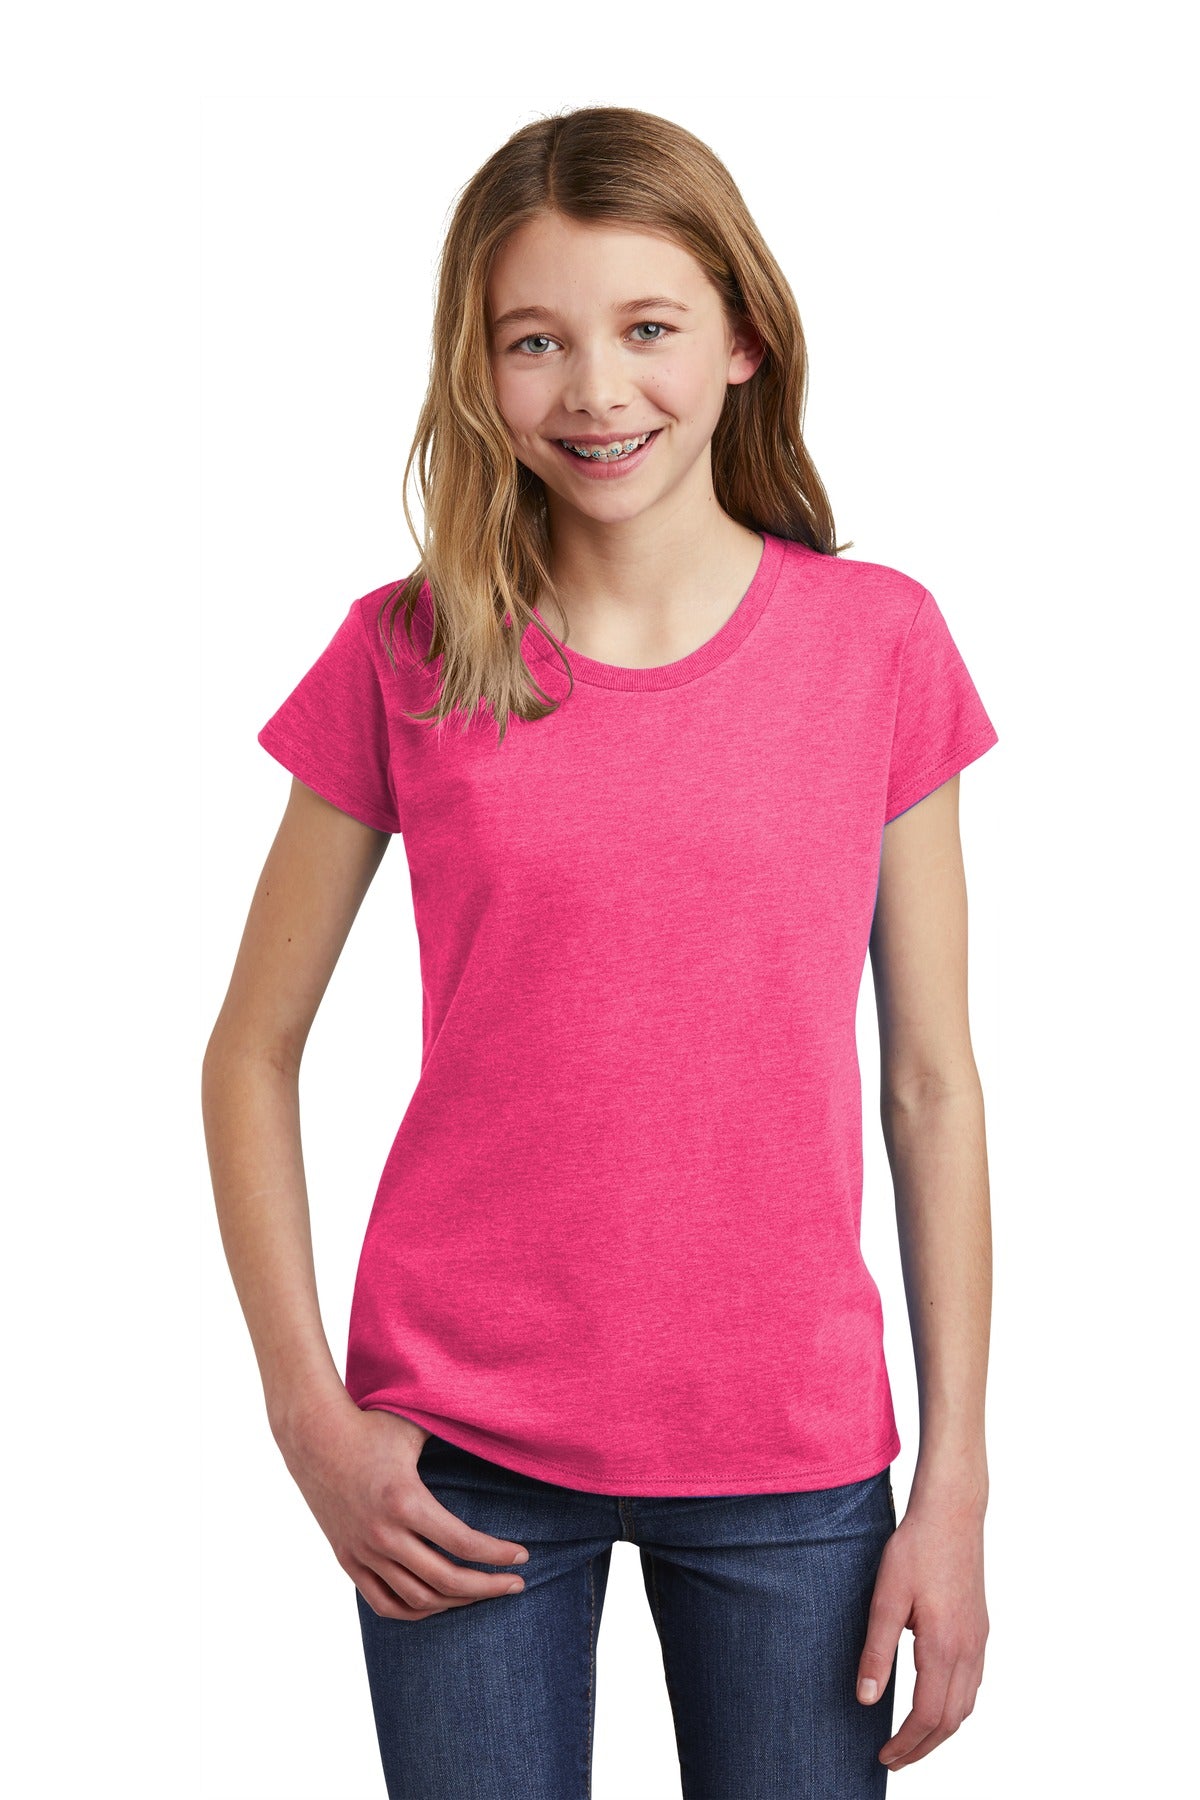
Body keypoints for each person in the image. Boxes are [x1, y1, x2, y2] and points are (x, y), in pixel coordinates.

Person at [203, 104, 997, 1800]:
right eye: (534, 341)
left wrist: (957, 1483)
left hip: (793, 1460)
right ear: (478, 369)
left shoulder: (878, 645)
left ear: (740, 338)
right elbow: (247, 1054)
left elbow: (930, 1084)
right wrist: (306, 1420)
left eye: (646, 327)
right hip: (458, 1457)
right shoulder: (408, 652)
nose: (595, 389)